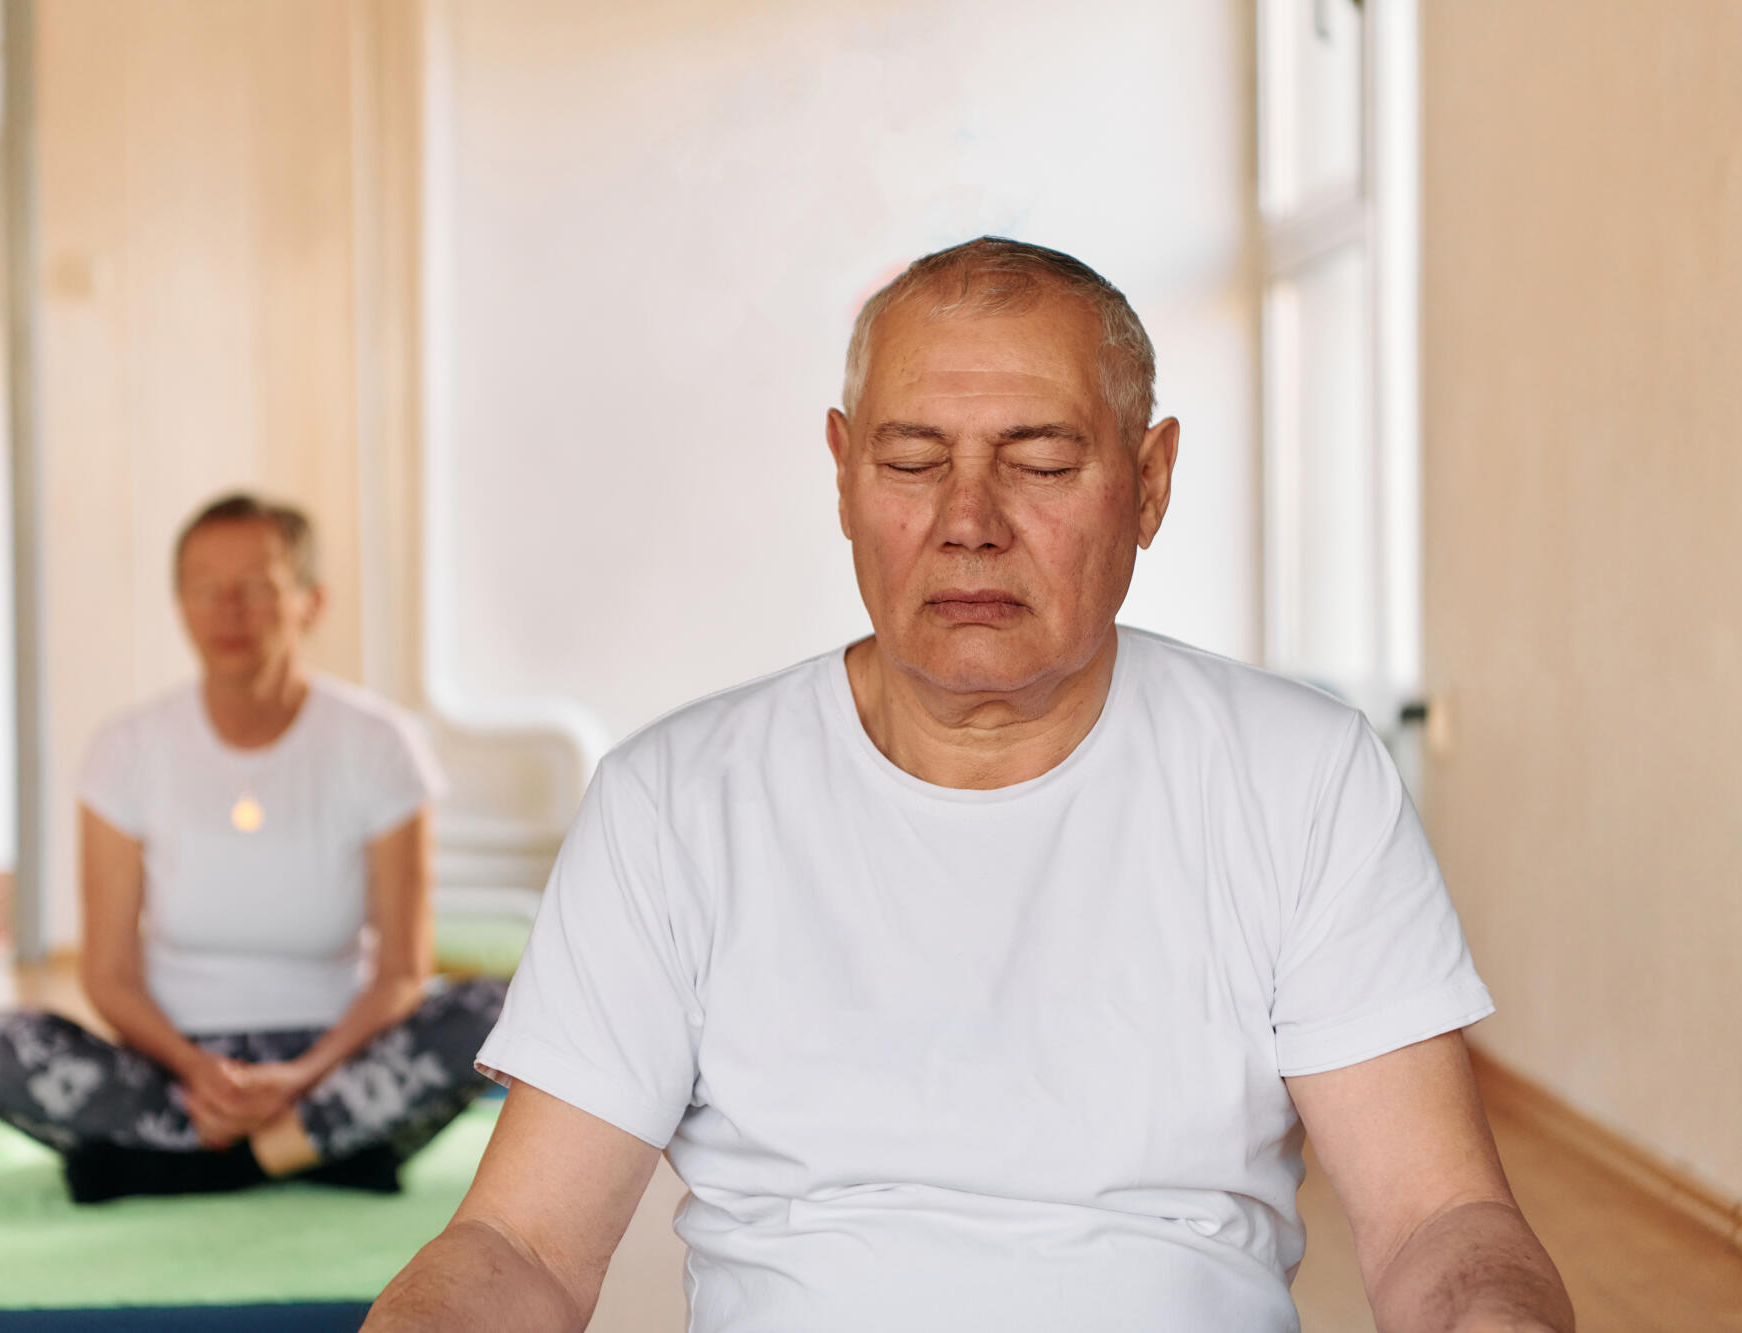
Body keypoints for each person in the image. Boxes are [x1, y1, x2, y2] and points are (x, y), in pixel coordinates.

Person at [361, 238, 1574, 1332]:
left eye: (1039, 462)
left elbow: (1432, 1219)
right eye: (910, 462)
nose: (968, 522)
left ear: (1148, 482)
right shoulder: (673, 803)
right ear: (842, 475)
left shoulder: (1298, 775)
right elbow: (521, 1244)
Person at [0, 493, 504, 1203]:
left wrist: (299, 1078)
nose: (229, 610)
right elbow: (109, 973)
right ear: (180, 604)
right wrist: (196, 1070)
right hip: (176, 1070)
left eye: (258, 587)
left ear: (310, 601)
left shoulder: (379, 744)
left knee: (498, 1012)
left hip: (333, 1059)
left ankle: (179, 1165)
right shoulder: (127, 748)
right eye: (205, 588)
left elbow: (402, 969)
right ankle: (313, 1151)